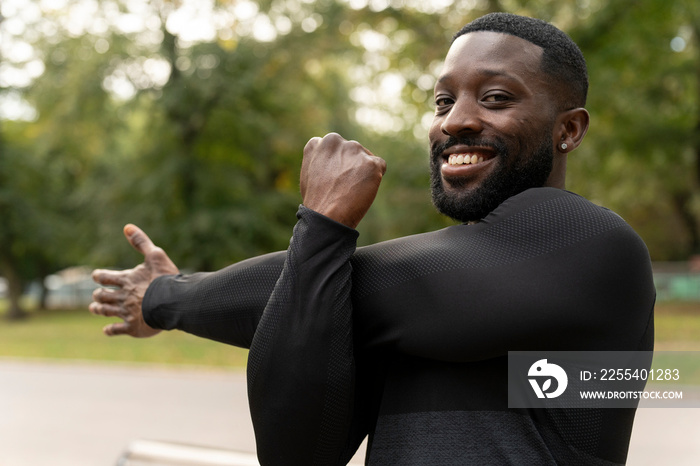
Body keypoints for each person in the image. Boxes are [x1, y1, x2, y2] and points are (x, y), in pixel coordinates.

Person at [90, 13, 655, 465]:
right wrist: (319, 240)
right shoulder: (430, 309)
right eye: (442, 101)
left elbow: (363, 283)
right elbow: (294, 452)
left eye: (495, 98)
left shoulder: (596, 246)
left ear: (569, 129)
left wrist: (170, 296)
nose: (454, 121)